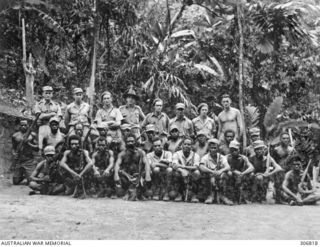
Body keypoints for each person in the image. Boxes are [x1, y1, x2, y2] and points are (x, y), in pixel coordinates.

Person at [114, 134, 151, 201]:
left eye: (132, 141)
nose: (130, 143)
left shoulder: (141, 152)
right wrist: (116, 175)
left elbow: (146, 164)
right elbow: (117, 164)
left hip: (138, 176)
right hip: (127, 176)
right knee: (118, 172)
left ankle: (138, 192)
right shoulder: (122, 154)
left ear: (135, 142)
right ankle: (128, 192)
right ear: (125, 143)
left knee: (147, 172)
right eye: (128, 141)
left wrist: (148, 175)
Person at [199, 138, 233, 205]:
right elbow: (201, 167)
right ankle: (210, 196)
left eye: (215, 148)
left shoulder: (222, 157)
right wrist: (211, 171)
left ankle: (223, 196)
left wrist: (221, 170)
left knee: (229, 173)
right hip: (209, 176)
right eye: (212, 148)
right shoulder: (205, 157)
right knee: (209, 176)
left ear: (218, 148)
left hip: (219, 175)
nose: (213, 150)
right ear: (209, 148)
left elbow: (228, 167)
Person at [171, 137, 201, 203]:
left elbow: (196, 167)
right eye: (185, 144)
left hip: (191, 173)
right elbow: (174, 165)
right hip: (181, 173)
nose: (186, 146)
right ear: (182, 145)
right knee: (176, 173)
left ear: (192, 146)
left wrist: (183, 167)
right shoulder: (177, 154)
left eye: (189, 144)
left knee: (197, 173)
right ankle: (179, 194)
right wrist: (182, 171)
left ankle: (194, 195)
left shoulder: (195, 155)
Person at [34, 86, 62, 152]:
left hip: (54, 125)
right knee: (41, 136)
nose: (48, 95)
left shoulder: (56, 105)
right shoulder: (39, 104)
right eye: (46, 93)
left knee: (59, 139)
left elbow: (59, 116)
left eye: (49, 93)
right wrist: (51, 114)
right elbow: (39, 116)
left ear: (52, 94)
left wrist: (54, 120)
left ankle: (56, 151)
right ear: (43, 94)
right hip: (44, 125)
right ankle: (40, 150)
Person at [12, 120, 38, 185]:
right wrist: (14, 154)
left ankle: (28, 175)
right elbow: (13, 148)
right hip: (19, 161)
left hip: (29, 160)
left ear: (28, 126)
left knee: (31, 182)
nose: (23, 127)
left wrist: (28, 143)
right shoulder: (15, 136)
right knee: (15, 181)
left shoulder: (32, 135)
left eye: (25, 125)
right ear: (19, 126)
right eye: (22, 125)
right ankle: (22, 176)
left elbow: (37, 148)